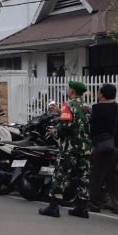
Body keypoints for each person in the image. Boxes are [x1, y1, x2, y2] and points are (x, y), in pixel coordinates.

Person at [40, 81, 92, 219]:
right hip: (85, 148)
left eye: (69, 89)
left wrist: (54, 132)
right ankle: (82, 208)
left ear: (73, 91)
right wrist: (60, 112)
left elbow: (65, 126)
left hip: (70, 148)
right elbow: (81, 122)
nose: (67, 90)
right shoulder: (87, 107)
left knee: (60, 176)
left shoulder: (68, 105)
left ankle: (53, 206)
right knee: (83, 177)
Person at [89, 83, 118, 214]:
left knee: (97, 175)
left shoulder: (96, 108)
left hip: (102, 147)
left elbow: (92, 129)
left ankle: (94, 203)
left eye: (98, 92)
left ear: (102, 94)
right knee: (115, 177)